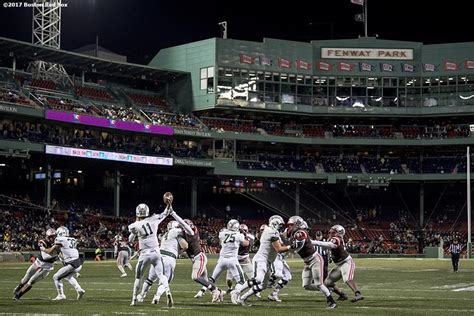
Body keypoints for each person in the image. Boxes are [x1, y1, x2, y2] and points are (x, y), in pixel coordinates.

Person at [231, 215, 296, 306]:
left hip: (268, 261)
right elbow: (279, 249)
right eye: (280, 225)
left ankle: (243, 298)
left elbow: (280, 241)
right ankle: (237, 291)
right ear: (275, 224)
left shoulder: (270, 230)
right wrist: (291, 246)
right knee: (258, 279)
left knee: (263, 285)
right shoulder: (272, 232)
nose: (281, 227)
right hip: (261, 259)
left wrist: (288, 242)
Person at [286, 216, 337, 309]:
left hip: (315, 259)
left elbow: (297, 248)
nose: (289, 227)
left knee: (318, 283)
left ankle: (332, 302)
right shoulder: (294, 233)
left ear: (297, 224)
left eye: (291, 225)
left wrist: (286, 247)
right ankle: (328, 289)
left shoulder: (301, 233)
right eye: (289, 225)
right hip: (307, 262)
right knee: (306, 285)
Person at [128, 203, 171, 306]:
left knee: (138, 277)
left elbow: (130, 240)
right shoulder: (154, 219)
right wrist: (169, 203)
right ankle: (168, 291)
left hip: (145, 255)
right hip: (156, 253)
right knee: (161, 275)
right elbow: (165, 213)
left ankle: (134, 299)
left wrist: (136, 232)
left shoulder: (134, 225)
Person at [312, 224, 363, 303]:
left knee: (347, 279)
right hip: (339, 265)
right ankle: (342, 295)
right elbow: (328, 247)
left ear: (339, 233)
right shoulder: (333, 239)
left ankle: (358, 294)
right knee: (327, 282)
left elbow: (329, 245)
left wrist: (313, 242)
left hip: (347, 262)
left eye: (334, 231)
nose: (331, 232)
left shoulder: (337, 239)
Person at [184, 218, 224, 302]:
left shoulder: (191, 232)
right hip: (196, 259)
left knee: (195, 276)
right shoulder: (189, 232)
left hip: (199, 258)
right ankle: (219, 291)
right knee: (205, 281)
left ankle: (214, 290)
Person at [13, 228, 58, 300]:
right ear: (47, 236)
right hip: (38, 263)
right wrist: (57, 254)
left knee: (31, 281)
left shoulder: (58, 243)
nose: (53, 238)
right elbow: (45, 257)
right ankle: (19, 286)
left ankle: (18, 296)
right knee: (25, 279)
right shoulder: (43, 242)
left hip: (46, 267)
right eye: (51, 236)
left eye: (54, 236)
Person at [209, 219, 249, 298]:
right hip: (232, 260)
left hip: (221, 260)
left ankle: (203, 291)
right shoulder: (239, 235)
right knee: (241, 281)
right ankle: (236, 294)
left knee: (212, 279)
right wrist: (244, 234)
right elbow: (246, 244)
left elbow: (221, 241)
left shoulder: (222, 233)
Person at [45, 226, 86, 301]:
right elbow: (65, 251)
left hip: (72, 263)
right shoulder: (72, 239)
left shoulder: (59, 239)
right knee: (68, 277)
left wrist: (43, 249)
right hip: (78, 262)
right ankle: (79, 290)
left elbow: (51, 251)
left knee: (56, 277)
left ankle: (61, 295)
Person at [225, 224, 254, 294]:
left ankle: (255, 291)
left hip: (245, 259)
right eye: (240, 230)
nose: (241, 231)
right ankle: (230, 288)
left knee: (253, 277)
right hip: (234, 259)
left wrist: (244, 234)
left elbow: (248, 243)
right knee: (229, 280)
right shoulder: (235, 236)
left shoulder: (250, 236)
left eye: (244, 230)